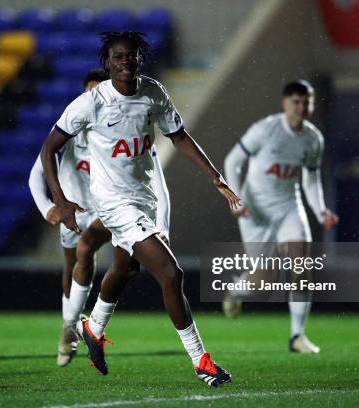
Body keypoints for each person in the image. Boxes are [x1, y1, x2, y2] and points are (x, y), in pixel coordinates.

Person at [42, 31, 240, 387]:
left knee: (125, 267)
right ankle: (201, 360)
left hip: (145, 196)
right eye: (118, 57)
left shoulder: (153, 93)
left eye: (131, 56)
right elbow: (49, 147)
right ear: (108, 62)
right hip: (114, 203)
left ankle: (93, 326)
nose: (125, 62)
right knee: (171, 273)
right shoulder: (91, 103)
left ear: (139, 59)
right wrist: (60, 199)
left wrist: (215, 176)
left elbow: (179, 136)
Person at [29, 68, 170, 367]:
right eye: (89, 92)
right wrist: (49, 206)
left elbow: (158, 179)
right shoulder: (71, 128)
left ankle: (75, 330)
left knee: (86, 248)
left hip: (113, 206)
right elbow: (37, 172)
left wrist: (162, 224)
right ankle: (74, 327)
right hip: (74, 210)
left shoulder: (123, 128)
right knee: (74, 265)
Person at [223, 80, 339, 353]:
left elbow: (311, 180)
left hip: (289, 207)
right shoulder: (266, 129)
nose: (302, 107)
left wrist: (320, 209)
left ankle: (297, 336)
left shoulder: (313, 139)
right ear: (285, 103)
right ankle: (236, 290)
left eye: (307, 101)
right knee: (263, 284)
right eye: (296, 101)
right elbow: (232, 161)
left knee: (301, 267)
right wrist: (235, 198)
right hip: (256, 211)